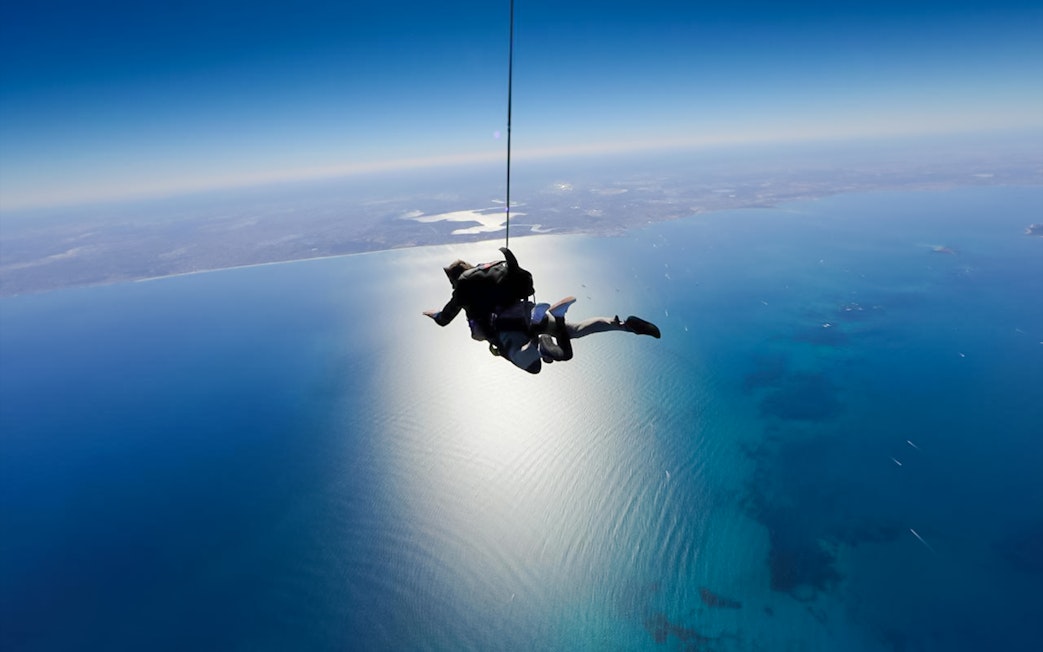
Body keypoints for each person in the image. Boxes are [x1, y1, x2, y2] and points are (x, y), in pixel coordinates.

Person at [424, 248, 662, 374]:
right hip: (525, 309)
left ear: (454, 280)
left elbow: (445, 319)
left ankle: (537, 338)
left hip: (507, 329)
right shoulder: (490, 273)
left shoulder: (463, 291)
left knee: (532, 365)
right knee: (575, 330)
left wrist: (434, 314)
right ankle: (622, 324)